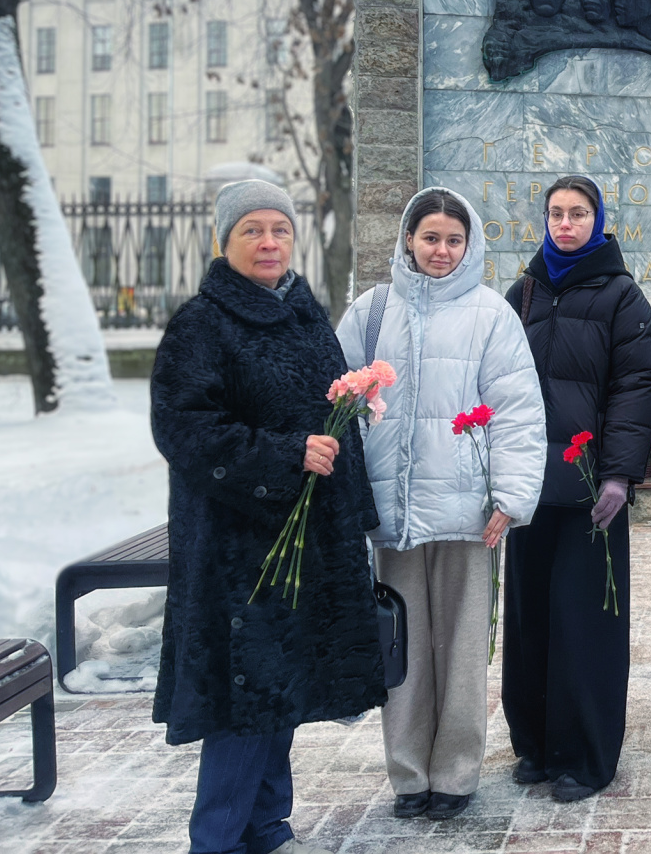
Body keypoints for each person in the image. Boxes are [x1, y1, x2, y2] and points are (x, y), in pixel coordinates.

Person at [151, 179, 386, 854]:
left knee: (284, 687)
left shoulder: (305, 316)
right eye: (251, 229)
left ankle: (267, 823)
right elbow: (184, 429)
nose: (268, 242)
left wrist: (356, 515)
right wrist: (284, 455)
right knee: (245, 693)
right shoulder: (200, 325)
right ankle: (217, 838)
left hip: (307, 538)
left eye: (279, 229)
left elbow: (338, 419)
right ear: (225, 242)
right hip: (237, 548)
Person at [335, 188, 545, 821]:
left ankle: (454, 774)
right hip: (394, 516)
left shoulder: (490, 315)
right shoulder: (370, 313)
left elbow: (517, 413)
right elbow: (335, 404)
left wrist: (510, 495)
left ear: (470, 243)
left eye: (454, 240)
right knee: (403, 650)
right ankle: (408, 775)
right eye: (430, 237)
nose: (442, 250)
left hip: (465, 515)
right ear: (407, 239)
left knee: (458, 651)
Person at [503, 176, 651, 802]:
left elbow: (637, 384)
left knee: (585, 622)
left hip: (591, 489)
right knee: (531, 617)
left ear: (598, 221)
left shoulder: (621, 295)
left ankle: (586, 755)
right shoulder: (524, 292)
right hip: (528, 487)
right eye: (556, 214)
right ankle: (537, 744)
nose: (565, 224)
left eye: (578, 214)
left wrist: (620, 472)